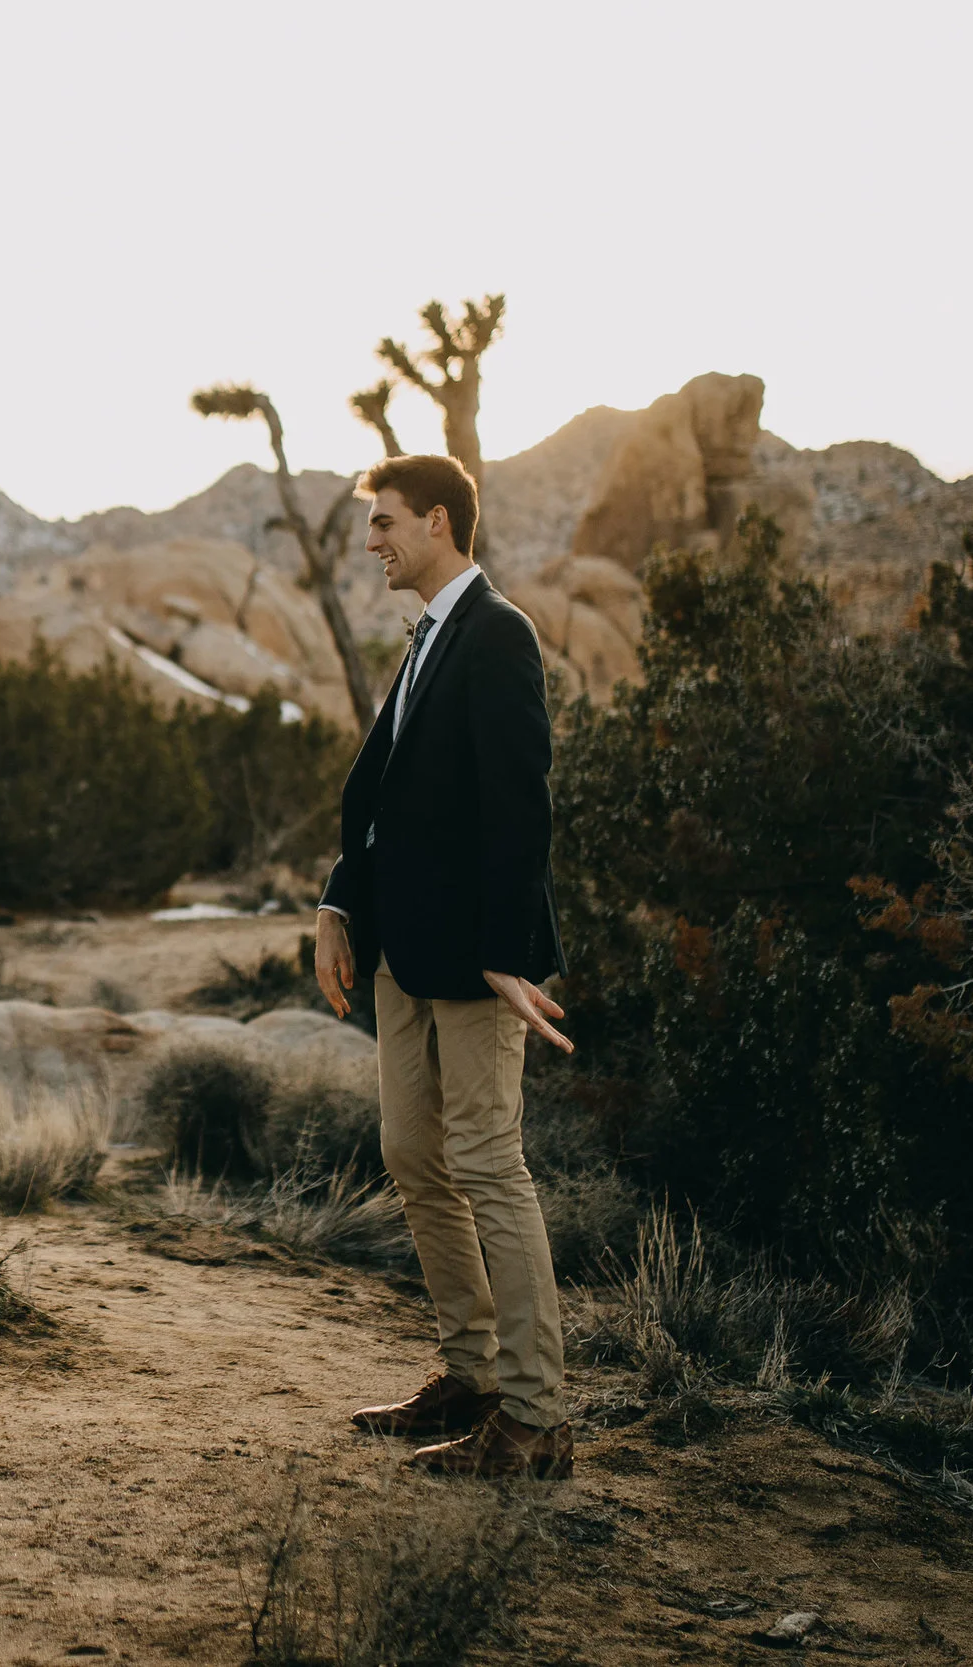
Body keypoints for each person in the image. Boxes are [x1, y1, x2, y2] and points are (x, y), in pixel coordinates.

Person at [313, 454, 578, 1480]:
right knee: (412, 1154)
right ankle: (469, 1370)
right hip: (402, 950)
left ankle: (537, 1413)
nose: (372, 541)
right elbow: (383, 794)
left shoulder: (497, 633)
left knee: (485, 1163)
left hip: (473, 959)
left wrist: (508, 951)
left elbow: (522, 802)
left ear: (436, 520)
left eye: (382, 523)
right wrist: (341, 897)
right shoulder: (429, 638)